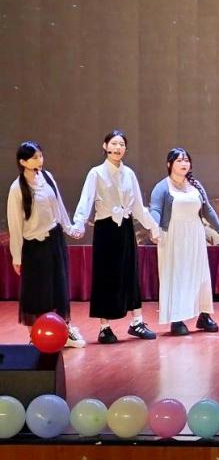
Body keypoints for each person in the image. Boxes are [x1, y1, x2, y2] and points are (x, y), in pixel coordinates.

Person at [70, 130, 161, 344]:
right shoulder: (96, 173)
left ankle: (137, 322)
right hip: (105, 228)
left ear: (125, 149)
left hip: (125, 228)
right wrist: (79, 223)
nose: (118, 147)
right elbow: (86, 200)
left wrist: (153, 227)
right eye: (113, 143)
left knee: (131, 272)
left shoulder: (129, 173)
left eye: (121, 144)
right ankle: (105, 327)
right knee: (105, 275)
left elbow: (138, 205)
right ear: (105, 146)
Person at [6, 141, 86, 348]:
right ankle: (35, 336)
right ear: (23, 162)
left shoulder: (47, 177)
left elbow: (58, 206)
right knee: (36, 291)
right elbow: (15, 225)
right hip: (34, 245)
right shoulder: (17, 188)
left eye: (41, 156)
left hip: (54, 240)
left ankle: (65, 331)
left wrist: (69, 228)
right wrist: (17, 256)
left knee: (59, 286)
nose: (39, 160)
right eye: (34, 157)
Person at [150, 148, 219, 336]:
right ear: (169, 164)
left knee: (200, 274)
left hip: (195, 234)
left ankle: (204, 315)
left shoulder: (195, 185)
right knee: (176, 275)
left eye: (186, 160)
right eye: (179, 160)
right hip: (172, 235)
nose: (184, 164)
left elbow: (208, 210)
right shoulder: (162, 187)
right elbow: (155, 210)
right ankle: (177, 319)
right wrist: (154, 228)